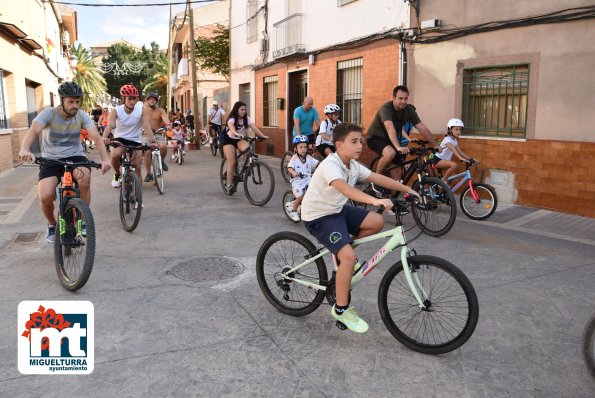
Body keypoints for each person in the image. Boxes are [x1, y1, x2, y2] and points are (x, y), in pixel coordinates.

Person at [301, 123, 420, 333]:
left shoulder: (353, 165)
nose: (359, 146)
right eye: (354, 142)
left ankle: (343, 256)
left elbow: (377, 177)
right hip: (318, 216)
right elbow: (346, 190)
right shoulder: (331, 165)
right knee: (347, 256)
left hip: (337, 210)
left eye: (361, 141)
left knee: (376, 222)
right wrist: (376, 201)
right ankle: (341, 309)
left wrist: (407, 188)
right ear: (339, 145)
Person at [18, 81, 110, 243]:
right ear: (61, 101)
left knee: (84, 179)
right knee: (45, 195)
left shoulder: (81, 115)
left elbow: (96, 137)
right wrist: (25, 149)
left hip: (75, 156)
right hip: (51, 159)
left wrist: (104, 159)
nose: (75, 105)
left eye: (77, 102)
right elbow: (34, 130)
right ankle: (53, 225)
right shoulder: (49, 114)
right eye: (71, 102)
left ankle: (81, 219)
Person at [367, 85, 440, 181]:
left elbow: (421, 127)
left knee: (397, 174)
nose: (403, 101)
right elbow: (390, 128)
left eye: (405, 98)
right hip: (375, 138)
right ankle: (376, 179)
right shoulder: (386, 108)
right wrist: (398, 147)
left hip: (391, 140)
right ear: (393, 98)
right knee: (390, 153)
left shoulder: (408, 109)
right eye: (400, 98)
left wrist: (435, 145)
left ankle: (395, 195)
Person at [102, 84, 155, 188]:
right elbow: (111, 125)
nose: (132, 101)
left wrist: (152, 140)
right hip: (120, 139)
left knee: (137, 167)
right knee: (115, 155)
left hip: (135, 139)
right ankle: (117, 174)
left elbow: (147, 125)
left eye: (134, 99)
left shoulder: (141, 109)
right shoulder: (116, 110)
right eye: (129, 99)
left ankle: (138, 199)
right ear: (123, 99)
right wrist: (103, 137)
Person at [221, 101, 268, 194]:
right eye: (241, 109)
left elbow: (254, 127)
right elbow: (231, 127)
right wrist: (236, 133)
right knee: (232, 162)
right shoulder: (232, 119)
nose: (244, 111)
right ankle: (229, 185)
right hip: (228, 139)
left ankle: (243, 166)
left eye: (245, 110)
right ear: (236, 110)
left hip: (238, 139)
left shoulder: (246, 118)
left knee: (248, 148)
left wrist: (262, 136)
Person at [286, 135, 319, 222]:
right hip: (297, 181)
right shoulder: (294, 158)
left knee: (317, 190)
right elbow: (289, 167)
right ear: (296, 149)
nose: (303, 149)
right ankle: (293, 210)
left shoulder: (309, 158)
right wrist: (293, 172)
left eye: (305, 147)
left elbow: (317, 165)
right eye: (300, 147)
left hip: (307, 179)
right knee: (302, 196)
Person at [142, 91, 170, 182]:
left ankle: (161, 161)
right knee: (147, 151)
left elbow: (165, 117)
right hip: (145, 134)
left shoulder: (160, 110)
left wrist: (168, 124)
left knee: (163, 146)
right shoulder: (142, 110)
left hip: (157, 134)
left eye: (154, 99)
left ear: (156, 101)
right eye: (150, 99)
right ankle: (149, 173)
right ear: (147, 100)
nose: (152, 101)